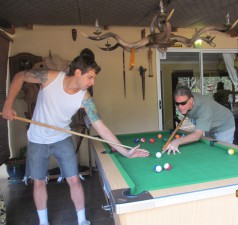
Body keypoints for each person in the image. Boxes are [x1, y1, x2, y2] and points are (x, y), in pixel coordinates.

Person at [1, 48, 149, 225]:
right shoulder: (50, 77)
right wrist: (8, 105)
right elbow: (19, 76)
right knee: (39, 182)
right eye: (90, 77)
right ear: (78, 73)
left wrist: (125, 152)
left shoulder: (84, 97)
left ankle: (81, 220)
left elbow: (100, 126)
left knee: (74, 179)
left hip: (62, 138)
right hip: (37, 139)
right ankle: (43, 222)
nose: (92, 82)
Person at [164, 85, 235, 155]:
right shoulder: (188, 98)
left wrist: (177, 141)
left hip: (224, 123)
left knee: (222, 153)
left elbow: (197, 135)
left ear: (191, 100)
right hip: (210, 124)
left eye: (183, 103)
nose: (180, 107)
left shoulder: (204, 109)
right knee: (210, 150)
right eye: (177, 103)